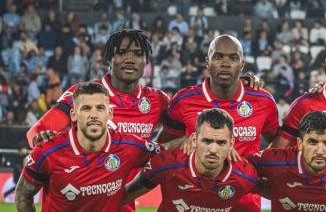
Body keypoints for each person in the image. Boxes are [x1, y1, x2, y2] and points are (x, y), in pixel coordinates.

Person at [160, 34, 278, 212]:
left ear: (242, 65)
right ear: (207, 62)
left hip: (243, 205)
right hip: (192, 202)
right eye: (218, 57)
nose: (225, 63)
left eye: (233, 58)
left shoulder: (263, 101)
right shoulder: (183, 100)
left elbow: (278, 146)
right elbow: (162, 147)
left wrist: (252, 169)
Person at [15, 82, 162, 212]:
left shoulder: (129, 145)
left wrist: (129, 193)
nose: (94, 115)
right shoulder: (48, 150)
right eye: (86, 108)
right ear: (73, 115)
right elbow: (23, 196)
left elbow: (165, 156)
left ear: (109, 113)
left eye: (100, 108)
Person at [27, 29, 169, 146]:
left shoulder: (158, 100)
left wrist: (157, 152)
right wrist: (40, 140)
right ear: (110, 59)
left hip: (139, 180)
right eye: (122, 52)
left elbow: (182, 134)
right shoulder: (82, 94)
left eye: (138, 54)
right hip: (89, 179)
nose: (130, 59)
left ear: (146, 62)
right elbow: (37, 131)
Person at [123, 108, 259, 211]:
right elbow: (124, 196)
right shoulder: (167, 164)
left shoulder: (245, 175)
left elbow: (275, 192)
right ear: (194, 140)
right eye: (206, 141)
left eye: (221, 143)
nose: (213, 149)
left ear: (231, 144)